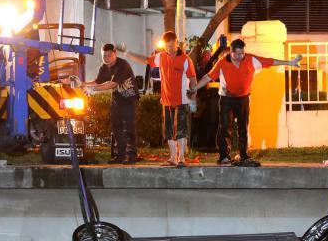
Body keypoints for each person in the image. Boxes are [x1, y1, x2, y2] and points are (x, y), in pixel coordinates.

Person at [190, 39, 301, 166]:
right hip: (226, 99)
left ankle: (244, 155)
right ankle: (224, 156)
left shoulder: (251, 59)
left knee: (243, 128)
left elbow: (270, 61)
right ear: (230, 52)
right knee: (225, 127)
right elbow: (208, 77)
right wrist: (194, 88)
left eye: (242, 53)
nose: (239, 57)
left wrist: (290, 62)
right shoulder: (222, 63)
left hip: (243, 99)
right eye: (236, 54)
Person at [121, 31, 196, 167]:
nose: (170, 49)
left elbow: (193, 79)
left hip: (182, 101)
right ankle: (173, 158)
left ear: (177, 43)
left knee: (180, 131)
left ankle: (181, 159)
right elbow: (145, 60)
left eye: (172, 46)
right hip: (166, 101)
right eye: (167, 47)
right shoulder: (161, 57)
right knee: (168, 131)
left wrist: (193, 98)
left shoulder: (185, 59)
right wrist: (127, 53)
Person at [81, 43, 138, 164]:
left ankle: (131, 156)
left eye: (109, 55)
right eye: (104, 56)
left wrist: (93, 90)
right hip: (117, 99)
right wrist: (83, 84)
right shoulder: (104, 67)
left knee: (129, 128)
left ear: (115, 54)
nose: (107, 58)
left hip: (129, 99)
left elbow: (113, 84)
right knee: (116, 127)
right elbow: (97, 82)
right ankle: (119, 155)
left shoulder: (123, 65)